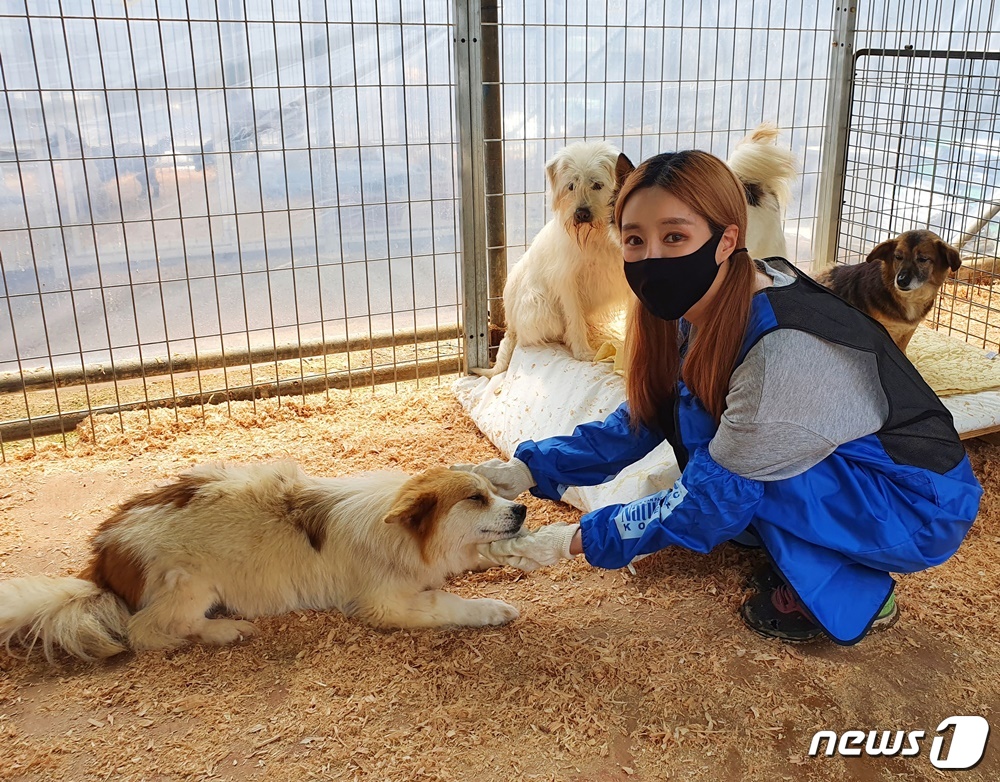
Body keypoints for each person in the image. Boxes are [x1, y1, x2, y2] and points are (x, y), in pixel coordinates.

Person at [464, 149, 983, 645]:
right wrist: (528, 469)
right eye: (635, 239)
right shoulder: (707, 303)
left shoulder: (779, 352)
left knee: (733, 475)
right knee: (705, 429)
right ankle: (792, 538)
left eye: (675, 236)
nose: (652, 257)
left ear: (726, 238)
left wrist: (569, 541)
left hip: (916, 505)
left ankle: (851, 588)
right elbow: (648, 415)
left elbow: (708, 501)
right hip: (854, 470)